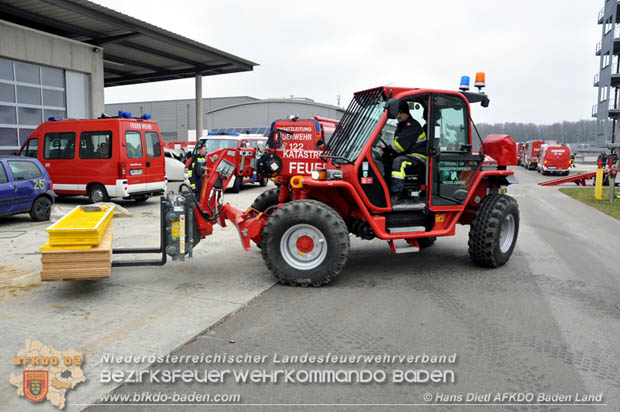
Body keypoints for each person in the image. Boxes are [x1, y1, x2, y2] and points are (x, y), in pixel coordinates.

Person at [384, 100, 428, 204]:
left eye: (400, 113)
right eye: (397, 113)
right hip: (408, 155)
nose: (398, 116)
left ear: (407, 113)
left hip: (418, 157)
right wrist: (386, 152)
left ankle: (397, 193)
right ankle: (384, 190)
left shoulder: (412, 126)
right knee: (384, 160)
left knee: (399, 162)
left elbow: (399, 146)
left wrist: (387, 149)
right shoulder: (401, 126)